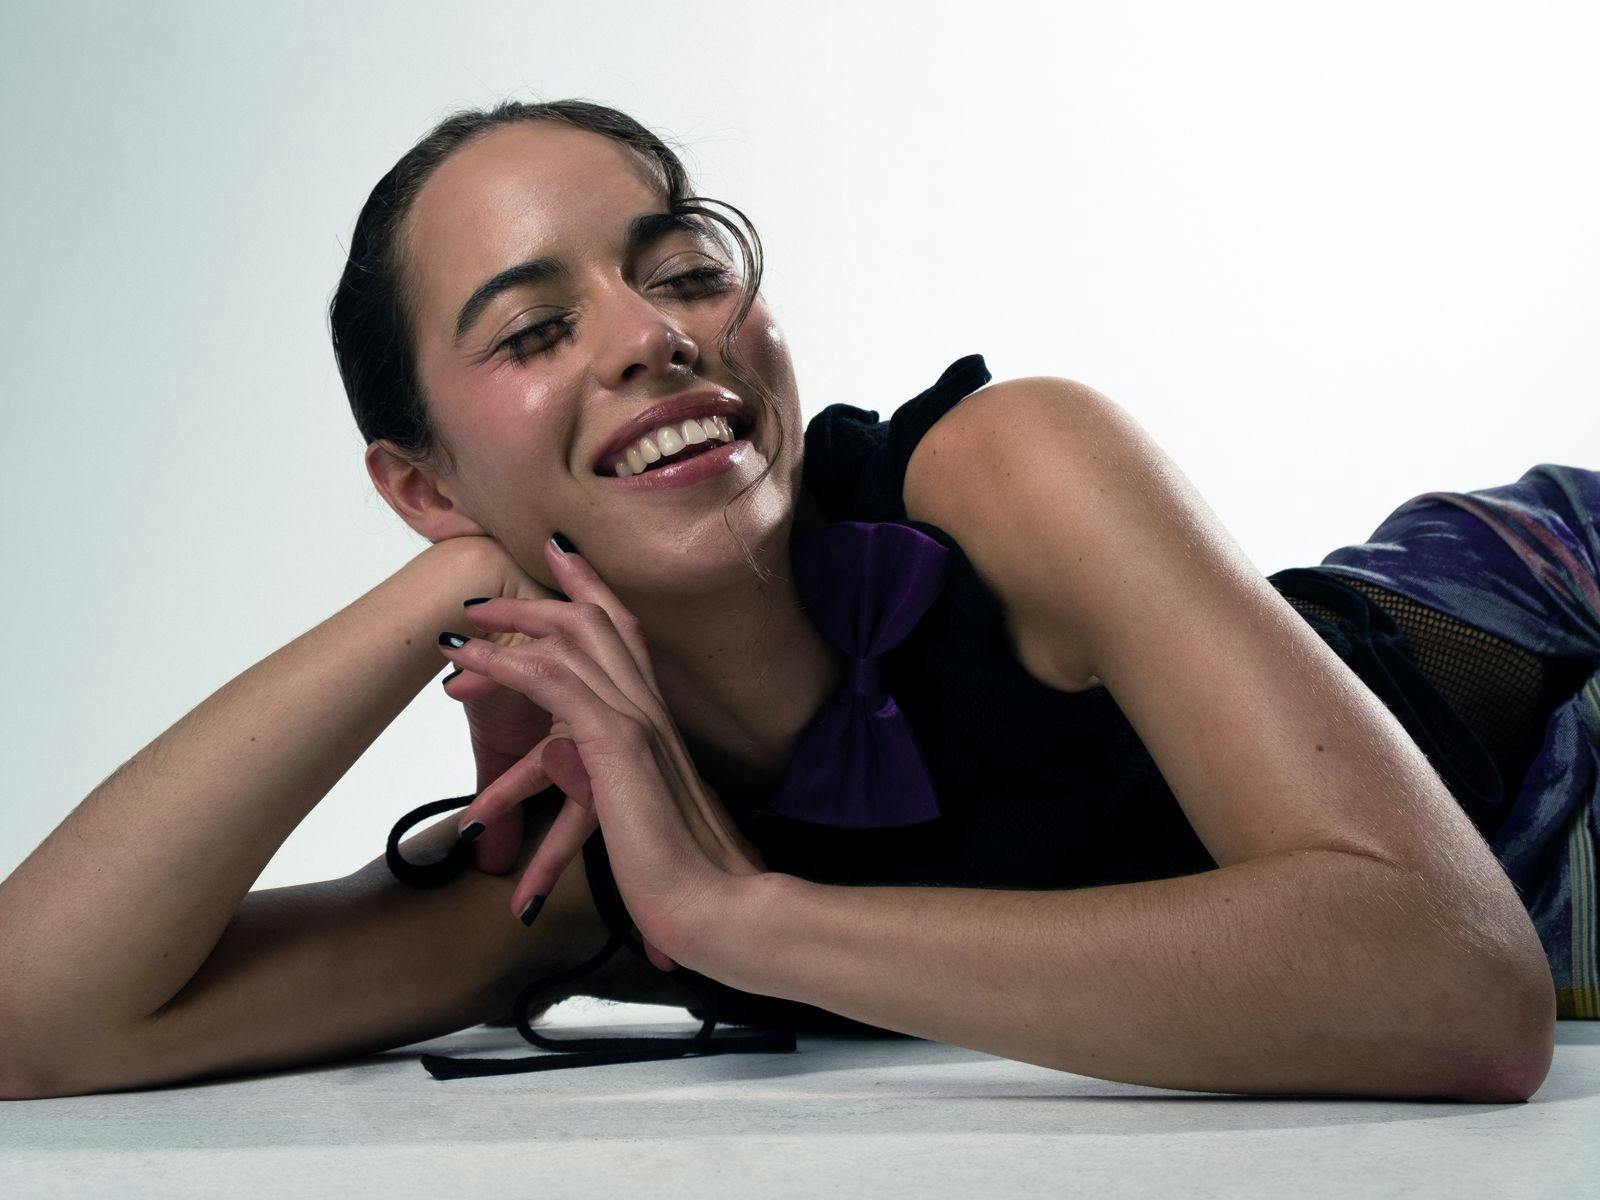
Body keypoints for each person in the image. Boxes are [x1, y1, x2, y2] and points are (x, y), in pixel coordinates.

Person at [0, 99, 1587, 1103]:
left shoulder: (1006, 467)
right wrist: (462, 570)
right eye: (534, 330)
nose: (651, 336)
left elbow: (1450, 984)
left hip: (1532, 649)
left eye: (681, 269)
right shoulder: (586, 837)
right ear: (417, 483)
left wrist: (747, 921)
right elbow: (35, 1024)